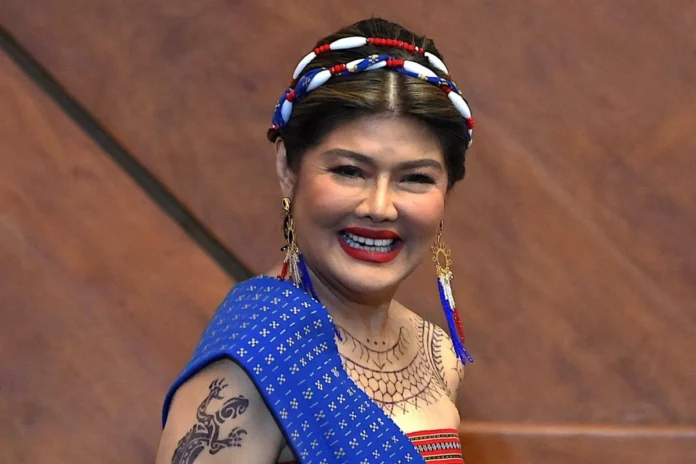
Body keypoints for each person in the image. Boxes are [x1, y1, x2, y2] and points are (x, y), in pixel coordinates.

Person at [156, 17, 476, 464]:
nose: (380, 207)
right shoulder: (252, 365)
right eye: (349, 171)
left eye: (416, 178)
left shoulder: (437, 353)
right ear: (288, 168)